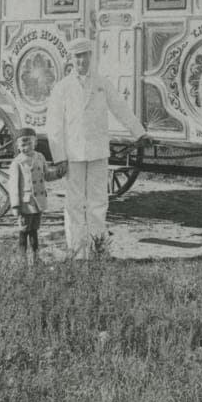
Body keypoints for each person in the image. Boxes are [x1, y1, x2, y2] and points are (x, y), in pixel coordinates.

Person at [46, 36, 148, 258]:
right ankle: (76, 251)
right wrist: (59, 157)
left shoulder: (102, 83)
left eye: (85, 55)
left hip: (98, 151)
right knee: (74, 204)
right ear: (71, 60)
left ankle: (98, 250)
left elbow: (120, 108)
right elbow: (54, 125)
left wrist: (138, 132)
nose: (81, 61)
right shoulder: (62, 88)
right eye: (77, 56)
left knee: (98, 202)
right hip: (73, 154)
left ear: (91, 57)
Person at [8, 127, 68, 265]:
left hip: (38, 202)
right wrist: (16, 205)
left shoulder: (40, 157)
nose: (26, 147)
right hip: (25, 203)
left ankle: (35, 258)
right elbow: (13, 186)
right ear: (18, 146)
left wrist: (58, 174)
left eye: (29, 144)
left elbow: (46, 175)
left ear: (35, 143)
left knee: (34, 230)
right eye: (22, 145)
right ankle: (22, 259)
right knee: (24, 231)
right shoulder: (17, 163)